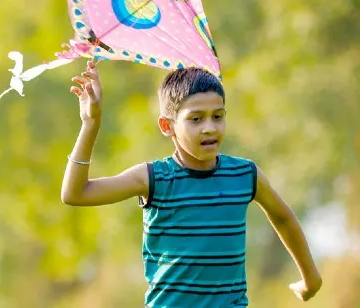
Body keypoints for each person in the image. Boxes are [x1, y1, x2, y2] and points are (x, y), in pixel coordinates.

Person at [61, 60, 322, 306]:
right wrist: (91, 124)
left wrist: (310, 278)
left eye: (218, 116)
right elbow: (76, 193)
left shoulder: (245, 175)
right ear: (167, 126)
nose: (209, 128)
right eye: (196, 119)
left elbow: (283, 217)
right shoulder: (154, 178)